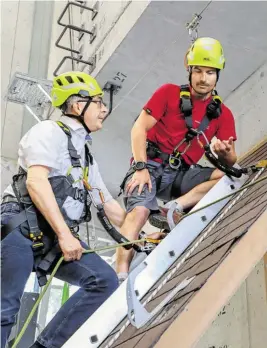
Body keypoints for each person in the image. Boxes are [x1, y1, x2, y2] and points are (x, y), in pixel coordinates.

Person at [1, 71, 126, 348]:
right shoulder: (48, 131)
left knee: (103, 280)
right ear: (78, 105)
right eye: (98, 102)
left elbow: (107, 203)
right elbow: (36, 181)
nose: (104, 109)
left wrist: (144, 230)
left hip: (53, 235)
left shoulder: (84, 154)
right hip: (21, 226)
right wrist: (65, 234)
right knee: (5, 310)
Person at [116, 37, 237, 282]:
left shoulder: (223, 115)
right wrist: (140, 168)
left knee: (229, 175)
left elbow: (232, 160)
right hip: (148, 165)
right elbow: (138, 129)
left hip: (181, 175)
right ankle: (120, 277)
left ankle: (175, 207)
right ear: (190, 71)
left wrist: (226, 154)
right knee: (138, 213)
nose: (204, 78)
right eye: (199, 71)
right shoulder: (168, 93)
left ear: (218, 75)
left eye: (210, 72)